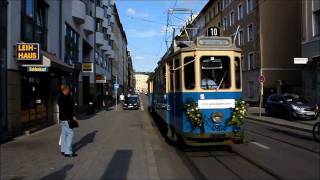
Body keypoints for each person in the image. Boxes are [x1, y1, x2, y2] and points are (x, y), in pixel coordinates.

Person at [58, 85, 78, 157]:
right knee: (70, 133)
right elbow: (66, 109)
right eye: (68, 90)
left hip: (62, 118)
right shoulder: (65, 98)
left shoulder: (60, 97)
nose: (69, 91)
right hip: (67, 118)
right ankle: (68, 152)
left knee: (64, 134)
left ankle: (63, 150)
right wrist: (72, 116)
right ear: (65, 90)